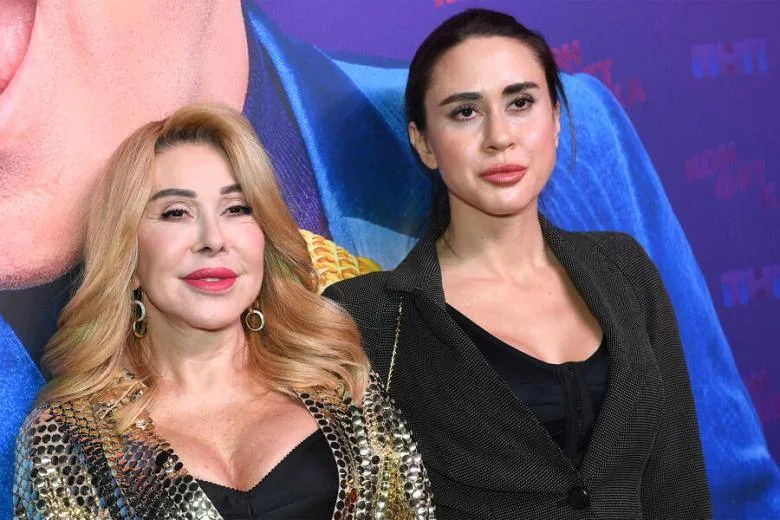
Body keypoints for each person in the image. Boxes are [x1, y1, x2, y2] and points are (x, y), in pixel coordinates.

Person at [324, 9, 711, 519]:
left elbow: (678, 490)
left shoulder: (624, 269)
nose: (499, 136)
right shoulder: (368, 316)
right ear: (424, 143)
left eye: (521, 102)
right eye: (465, 111)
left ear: (555, 118)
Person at [12, 104, 434, 520]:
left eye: (237, 209)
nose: (213, 239)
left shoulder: (345, 389)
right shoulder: (70, 439)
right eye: (176, 213)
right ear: (128, 256)